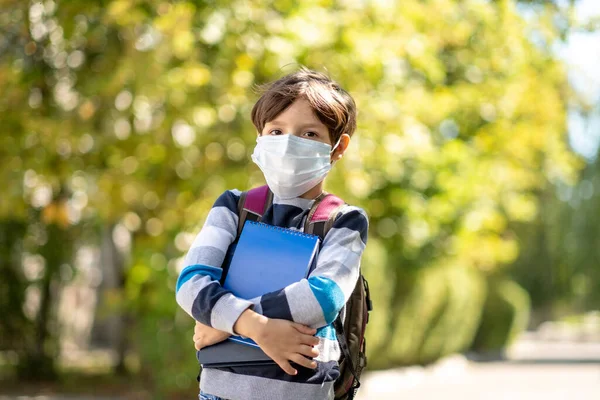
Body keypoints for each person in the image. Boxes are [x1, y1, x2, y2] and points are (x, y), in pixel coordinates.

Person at [175, 67, 369, 400]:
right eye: (276, 131)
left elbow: (323, 298)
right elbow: (190, 283)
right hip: (219, 392)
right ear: (260, 137)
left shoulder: (345, 220)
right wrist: (256, 327)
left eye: (309, 134)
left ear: (338, 147)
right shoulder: (233, 207)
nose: (289, 144)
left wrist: (228, 320)